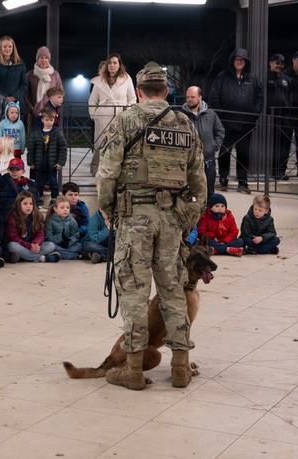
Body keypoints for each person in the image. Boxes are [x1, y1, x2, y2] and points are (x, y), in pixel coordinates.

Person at [96, 61, 206, 390]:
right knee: (174, 292)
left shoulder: (127, 119)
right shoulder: (186, 124)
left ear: (140, 92)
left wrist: (107, 208)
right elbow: (200, 187)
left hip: (134, 220)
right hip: (172, 220)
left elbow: (107, 172)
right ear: (168, 92)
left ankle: (133, 369)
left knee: (134, 294)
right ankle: (180, 368)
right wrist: (181, 219)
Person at [208, 48, 263, 194]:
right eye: (237, 59)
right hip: (226, 124)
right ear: (232, 60)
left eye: (242, 59)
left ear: (246, 62)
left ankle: (242, 181)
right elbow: (214, 97)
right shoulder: (222, 77)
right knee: (224, 152)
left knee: (243, 153)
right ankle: (223, 179)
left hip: (246, 124)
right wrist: (221, 116)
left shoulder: (253, 79)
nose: (239, 61)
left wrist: (254, 114)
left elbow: (260, 98)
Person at [89, 53, 136, 174]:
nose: (112, 65)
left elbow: (132, 98)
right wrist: (93, 115)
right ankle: (98, 170)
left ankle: (118, 171)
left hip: (120, 115)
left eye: (115, 62)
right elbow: (93, 99)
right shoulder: (99, 80)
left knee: (119, 143)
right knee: (101, 142)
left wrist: (128, 113)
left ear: (119, 64)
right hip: (103, 115)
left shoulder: (126, 78)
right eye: (110, 63)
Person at [180, 86, 225, 200]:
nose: (189, 99)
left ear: (200, 97)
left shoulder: (211, 114)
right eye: (187, 97)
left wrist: (214, 146)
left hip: (208, 161)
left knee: (209, 193)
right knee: (189, 194)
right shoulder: (181, 116)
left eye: (193, 97)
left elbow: (220, 131)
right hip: (189, 162)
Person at [27, 108, 66, 205]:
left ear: (54, 120)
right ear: (42, 120)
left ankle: (54, 200)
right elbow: (31, 148)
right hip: (39, 164)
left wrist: (60, 162)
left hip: (52, 164)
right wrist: (31, 162)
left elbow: (63, 148)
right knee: (39, 183)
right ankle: (38, 199)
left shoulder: (57, 132)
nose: (49, 122)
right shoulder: (36, 133)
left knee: (53, 184)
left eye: (51, 120)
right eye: (47, 120)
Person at [4, 191, 58, 263]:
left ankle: (25, 256)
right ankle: (42, 258)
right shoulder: (12, 217)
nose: (28, 206)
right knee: (12, 246)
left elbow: (40, 233)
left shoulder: (37, 215)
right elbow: (14, 237)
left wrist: (35, 244)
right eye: (25, 204)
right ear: (18, 205)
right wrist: (29, 246)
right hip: (20, 245)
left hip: (32, 245)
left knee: (50, 245)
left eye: (31, 204)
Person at [267, 54, 293, 180]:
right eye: (277, 63)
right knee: (272, 144)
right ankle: (271, 170)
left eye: (282, 63)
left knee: (284, 144)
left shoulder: (286, 79)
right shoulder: (265, 76)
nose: (279, 66)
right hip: (270, 118)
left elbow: (290, 96)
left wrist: (288, 108)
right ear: (270, 63)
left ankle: (281, 170)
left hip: (284, 116)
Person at [0, 151, 33, 217]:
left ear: (23, 171)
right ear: (8, 170)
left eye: (17, 169)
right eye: (12, 169)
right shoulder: (2, 181)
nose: (14, 172)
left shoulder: (30, 184)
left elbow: (34, 202)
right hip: (5, 215)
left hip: (23, 216)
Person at [0, 36, 28, 104]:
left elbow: (24, 84)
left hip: (17, 102)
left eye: (10, 46)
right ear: (0, 48)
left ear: (13, 48)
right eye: (4, 46)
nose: (7, 49)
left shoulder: (20, 64)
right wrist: (5, 97)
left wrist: (14, 97)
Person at [26, 46, 63, 122]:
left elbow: (60, 93)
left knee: (50, 133)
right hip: (35, 115)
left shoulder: (55, 75)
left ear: (49, 60)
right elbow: (25, 95)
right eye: (41, 57)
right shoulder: (30, 75)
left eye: (46, 58)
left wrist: (56, 108)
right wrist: (31, 109)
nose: (44, 60)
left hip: (51, 115)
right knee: (34, 133)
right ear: (37, 59)